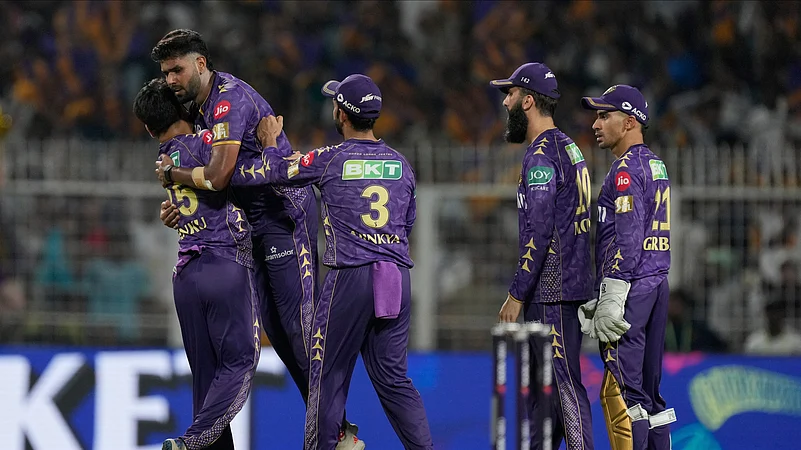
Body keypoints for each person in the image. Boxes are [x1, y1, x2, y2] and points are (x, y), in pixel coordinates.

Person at [148, 30, 361, 448]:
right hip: (248, 228)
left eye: (177, 69)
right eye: (166, 72)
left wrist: (173, 175)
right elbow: (214, 183)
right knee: (277, 335)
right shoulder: (198, 110)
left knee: (298, 331)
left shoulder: (228, 101)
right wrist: (179, 208)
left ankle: (337, 436)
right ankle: (336, 431)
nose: (171, 79)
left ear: (201, 64)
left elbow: (219, 176)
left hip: (283, 217)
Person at [235, 74, 433, 450]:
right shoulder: (401, 164)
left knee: (327, 377)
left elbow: (277, 174)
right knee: (394, 380)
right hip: (395, 277)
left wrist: (271, 142)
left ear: (341, 114)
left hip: (350, 278)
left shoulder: (331, 158)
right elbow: (408, 223)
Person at [133, 78, 260, 450]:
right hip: (225, 264)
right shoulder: (209, 144)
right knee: (241, 362)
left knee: (207, 381)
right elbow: (238, 172)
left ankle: (197, 443)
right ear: (184, 108)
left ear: (149, 129)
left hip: (187, 275)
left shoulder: (165, 161)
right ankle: (191, 442)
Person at [492, 62, 594, 450]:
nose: (506, 103)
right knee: (542, 392)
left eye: (511, 94)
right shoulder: (569, 146)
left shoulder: (540, 156)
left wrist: (517, 293)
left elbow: (539, 230)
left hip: (551, 289)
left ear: (528, 101)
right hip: (567, 284)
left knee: (562, 385)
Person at [579, 85, 677, 450]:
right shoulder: (655, 164)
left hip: (632, 287)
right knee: (651, 395)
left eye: (605, 116)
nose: (596, 124)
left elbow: (628, 237)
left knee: (624, 392)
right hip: (657, 280)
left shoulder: (625, 170)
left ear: (630, 122)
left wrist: (612, 292)